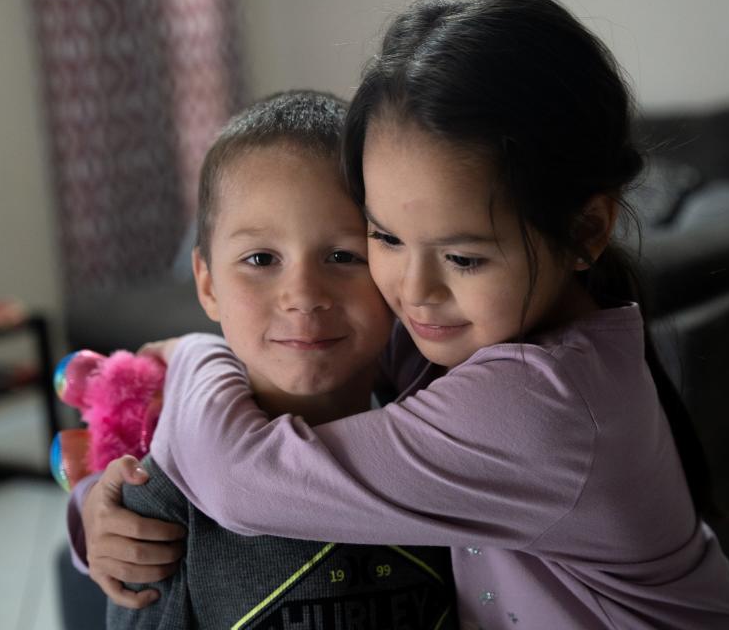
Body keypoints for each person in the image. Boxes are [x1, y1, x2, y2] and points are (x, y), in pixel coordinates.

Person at [79, 0, 729, 628]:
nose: (412, 291)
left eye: (464, 256)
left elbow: (238, 477)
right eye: (382, 236)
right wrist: (92, 515)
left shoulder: (542, 406)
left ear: (586, 231)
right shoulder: (478, 333)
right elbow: (294, 373)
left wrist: (200, 350)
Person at [70, 90, 458, 629]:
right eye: (260, 259)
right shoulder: (161, 502)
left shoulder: (447, 445)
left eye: (344, 256)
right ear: (207, 282)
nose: (302, 293)